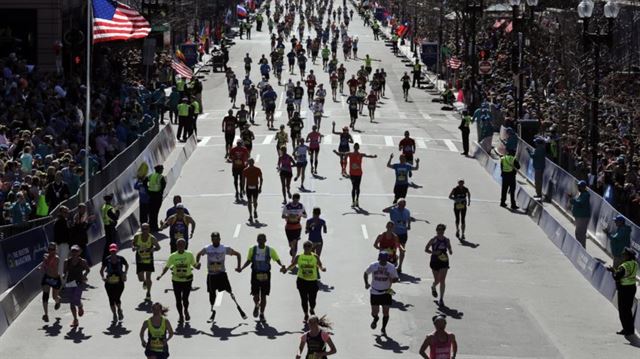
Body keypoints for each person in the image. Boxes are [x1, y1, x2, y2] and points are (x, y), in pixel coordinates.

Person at [196, 232, 242, 323]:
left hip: (221, 274)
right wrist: (197, 263)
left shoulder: (224, 248)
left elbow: (238, 254)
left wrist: (239, 266)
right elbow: (198, 254)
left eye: (217, 239)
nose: (215, 241)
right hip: (211, 275)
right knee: (212, 294)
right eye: (213, 239)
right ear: (211, 239)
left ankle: (238, 306)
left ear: (220, 239)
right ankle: (212, 311)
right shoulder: (208, 248)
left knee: (229, 290)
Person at [239, 234, 286, 322]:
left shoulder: (270, 250)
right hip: (255, 274)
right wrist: (241, 268)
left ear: (265, 240)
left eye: (262, 239)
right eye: (259, 239)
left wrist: (282, 265)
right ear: (257, 240)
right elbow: (249, 260)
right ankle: (257, 305)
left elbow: (277, 259)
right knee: (255, 295)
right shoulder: (252, 249)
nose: (261, 241)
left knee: (264, 296)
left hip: (266, 275)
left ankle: (262, 314)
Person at [157, 238, 200, 323]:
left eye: (182, 245)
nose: (180, 246)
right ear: (176, 246)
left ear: (185, 246)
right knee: (178, 299)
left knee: (185, 299)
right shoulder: (173, 256)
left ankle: (186, 311)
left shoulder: (189, 254)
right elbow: (167, 267)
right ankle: (180, 315)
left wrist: (198, 266)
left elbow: (195, 265)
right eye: (179, 245)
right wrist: (161, 275)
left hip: (187, 280)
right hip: (176, 280)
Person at [285, 241, 325, 322]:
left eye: (309, 247)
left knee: (312, 300)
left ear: (311, 248)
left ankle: (312, 308)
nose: (307, 248)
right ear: (303, 248)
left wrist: (323, 269)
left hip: (312, 281)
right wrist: (286, 269)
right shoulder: (299, 257)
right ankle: (306, 314)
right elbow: (292, 265)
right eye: (305, 246)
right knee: (304, 299)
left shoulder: (315, 257)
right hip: (302, 281)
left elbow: (320, 265)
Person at [364, 252, 399, 335]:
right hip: (375, 292)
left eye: (385, 261)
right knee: (374, 312)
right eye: (382, 260)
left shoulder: (391, 267)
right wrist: (366, 283)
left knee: (386, 312)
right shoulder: (374, 265)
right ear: (379, 259)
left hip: (386, 292)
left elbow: (396, 278)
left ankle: (383, 328)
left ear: (387, 260)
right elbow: (365, 273)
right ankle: (376, 318)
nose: (383, 262)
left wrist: (393, 280)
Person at [333, 143, 377, 207]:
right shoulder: (353, 154)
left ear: (355, 148)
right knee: (356, 187)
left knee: (355, 187)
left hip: (356, 173)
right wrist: (373, 156)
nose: (356, 148)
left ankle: (355, 201)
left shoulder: (354, 154)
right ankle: (355, 201)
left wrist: (336, 152)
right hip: (355, 173)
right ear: (356, 148)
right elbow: (368, 156)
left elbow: (341, 154)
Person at [607, 247, 637, 336]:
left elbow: (617, 277)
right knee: (628, 310)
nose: (623, 256)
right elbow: (625, 274)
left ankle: (626, 329)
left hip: (624, 289)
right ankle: (630, 329)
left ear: (628, 256)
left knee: (623, 311)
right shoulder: (634, 263)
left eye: (624, 254)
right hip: (632, 288)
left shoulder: (624, 266)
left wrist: (613, 271)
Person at [100, 244, 129, 322]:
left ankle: (119, 309)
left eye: (114, 251)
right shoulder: (107, 259)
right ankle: (114, 314)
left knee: (117, 298)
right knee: (111, 299)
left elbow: (127, 265)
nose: (113, 252)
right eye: (112, 251)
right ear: (110, 251)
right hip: (109, 283)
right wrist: (103, 278)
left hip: (119, 282)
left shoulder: (121, 259)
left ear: (116, 251)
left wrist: (125, 274)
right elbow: (101, 270)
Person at [425, 224, 452, 307]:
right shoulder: (433, 240)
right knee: (437, 280)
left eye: (442, 230)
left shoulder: (446, 240)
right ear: (436, 230)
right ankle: (433, 286)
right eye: (439, 230)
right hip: (435, 260)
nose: (440, 231)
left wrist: (450, 251)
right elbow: (426, 249)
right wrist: (434, 252)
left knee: (442, 280)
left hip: (444, 260)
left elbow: (450, 249)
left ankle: (441, 299)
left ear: (444, 231)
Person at [133, 223, 161, 301]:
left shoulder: (152, 238)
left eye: (146, 229)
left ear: (149, 229)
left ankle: (148, 293)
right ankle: (144, 281)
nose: (145, 230)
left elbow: (158, 247)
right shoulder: (137, 237)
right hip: (139, 259)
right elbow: (133, 244)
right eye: (143, 229)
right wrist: (134, 247)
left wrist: (154, 249)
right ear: (141, 229)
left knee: (149, 277)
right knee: (140, 278)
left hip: (149, 259)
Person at [63, 245, 90, 327]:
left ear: (79, 252)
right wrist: (64, 276)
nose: (74, 253)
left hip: (79, 282)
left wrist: (84, 275)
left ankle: (80, 306)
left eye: (76, 251)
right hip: (70, 282)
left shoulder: (82, 261)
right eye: (73, 251)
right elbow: (65, 272)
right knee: (71, 303)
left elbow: (88, 270)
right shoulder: (67, 261)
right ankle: (75, 320)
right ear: (71, 252)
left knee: (76, 299)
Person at [39, 242, 62, 322]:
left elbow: (52, 268)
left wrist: (46, 262)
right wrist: (41, 268)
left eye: (52, 249)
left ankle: (58, 301)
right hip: (47, 278)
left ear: (55, 250)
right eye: (49, 249)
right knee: (45, 295)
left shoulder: (56, 258)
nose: (50, 251)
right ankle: (46, 314)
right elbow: (43, 265)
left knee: (54, 297)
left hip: (55, 279)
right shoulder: (45, 256)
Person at [283, 193, 308, 259]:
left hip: (297, 227)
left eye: (297, 200)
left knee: (295, 243)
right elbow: (282, 216)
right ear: (292, 199)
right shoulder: (287, 206)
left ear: (299, 199)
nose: (295, 202)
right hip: (289, 227)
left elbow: (305, 215)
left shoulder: (301, 206)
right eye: (294, 200)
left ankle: (293, 259)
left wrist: (300, 215)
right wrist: (288, 216)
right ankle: (292, 249)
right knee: (291, 244)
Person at [389, 199, 411, 273]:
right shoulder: (393, 210)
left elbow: (408, 219)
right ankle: (394, 260)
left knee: (402, 250)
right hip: (395, 233)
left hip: (403, 233)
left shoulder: (407, 211)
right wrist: (393, 205)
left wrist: (409, 225)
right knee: (393, 250)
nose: (402, 206)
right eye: (400, 205)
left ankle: (400, 266)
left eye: (403, 205)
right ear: (398, 204)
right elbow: (384, 210)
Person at [568, 180, 590, 248]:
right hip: (579, 217)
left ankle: (582, 248)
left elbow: (579, 203)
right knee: (578, 233)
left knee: (581, 234)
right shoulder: (581, 194)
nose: (578, 188)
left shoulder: (586, 195)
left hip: (583, 217)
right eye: (578, 186)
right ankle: (579, 247)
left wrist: (572, 199)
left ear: (584, 187)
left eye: (580, 186)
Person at [147, 165, 167, 232]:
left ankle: (150, 226)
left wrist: (148, 190)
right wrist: (159, 192)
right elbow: (163, 186)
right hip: (157, 197)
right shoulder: (161, 177)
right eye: (162, 169)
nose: (162, 170)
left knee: (151, 212)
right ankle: (154, 227)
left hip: (150, 196)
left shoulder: (151, 176)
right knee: (155, 212)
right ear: (160, 170)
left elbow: (144, 182)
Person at [243, 158, 263, 222]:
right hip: (248, 187)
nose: (250, 163)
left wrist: (260, 187)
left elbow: (261, 178)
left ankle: (255, 210)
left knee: (255, 201)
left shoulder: (257, 169)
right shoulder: (245, 170)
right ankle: (250, 215)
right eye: (249, 162)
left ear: (253, 162)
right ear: (248, 163)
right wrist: (243, 189)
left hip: (255, 187)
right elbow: (243, 180)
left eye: (251, 162)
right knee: (249, 202)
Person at [101, 194, 121, 259]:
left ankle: (106, 256)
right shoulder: (109, 208)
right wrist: (117, 210)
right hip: (110, 227)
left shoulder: (104, 206)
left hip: (106, 226)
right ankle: (111, 256)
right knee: (112, 243)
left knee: (108, 242)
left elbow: (108, 214)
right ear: (110, 200)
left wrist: (114, 209)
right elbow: (115, 217)